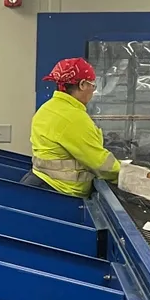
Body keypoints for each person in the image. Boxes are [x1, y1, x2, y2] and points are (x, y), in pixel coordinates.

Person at [24, 57, 120, 197]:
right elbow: (101, 164)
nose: (93, 92)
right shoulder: (73, 117)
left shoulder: (47, 108)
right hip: (57, 193)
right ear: (82, 85)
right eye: (93, 85)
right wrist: (131, 177)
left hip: (39, 182)